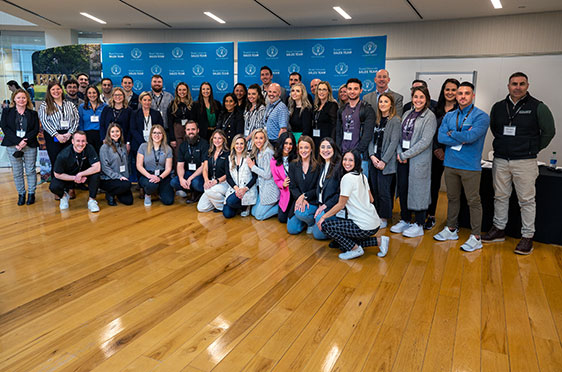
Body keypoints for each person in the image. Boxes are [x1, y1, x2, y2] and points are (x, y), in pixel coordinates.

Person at [481, 72, 556, 255]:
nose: (518, 87)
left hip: (525, 161)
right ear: (508, 86)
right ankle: (499, 229)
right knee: (500, 196)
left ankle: (527, 236)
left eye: (522, 84)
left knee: (527, 200)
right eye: (514, 84)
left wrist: (532, 148)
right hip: (500, 159)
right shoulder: (498, 107)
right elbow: (495, 128)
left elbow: (549, 132)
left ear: (527, 86)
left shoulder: (538, 107)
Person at [434, 82, 490, 251]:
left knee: (473, 201)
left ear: (473, 96)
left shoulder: (481, 116)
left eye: (467, 93)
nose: (463, 96)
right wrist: (461, 137)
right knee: (452, 198)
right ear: (456, 96)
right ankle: (451, 228)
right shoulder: (449, 116)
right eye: (460, 93)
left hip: (470, 166)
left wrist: (454, 134)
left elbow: (472, 136)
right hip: (450, 163)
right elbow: (442, 137)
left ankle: (476, 236)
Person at [317, 150, 389, 260]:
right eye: (345, 159)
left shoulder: (347, 178)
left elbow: (341, 205)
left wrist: (323, 217)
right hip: (374, 223)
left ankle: (355, 249)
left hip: (363, 226)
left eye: (351, 160)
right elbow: (371, 199)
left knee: (326, 226)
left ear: (357, 162)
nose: (347, 163)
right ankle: (380, 241)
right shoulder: (362, 176)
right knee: (342, 244)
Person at [390, 86, 437, 238]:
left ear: (426, 99)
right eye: (416, 97)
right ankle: (405, 219)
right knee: (403, 189)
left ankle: (418, 223)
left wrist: (406, 155)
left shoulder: (429, 116)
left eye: (421, 97)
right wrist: (399, 153)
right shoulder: (407, 113)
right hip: (402, 159)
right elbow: (399, 135)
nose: (418, 100)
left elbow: (425, 141)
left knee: (418, 191)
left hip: (417, 160)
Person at [424, 78, 460, 230]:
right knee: (433, 185)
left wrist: (446, 150)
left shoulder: (462, 111)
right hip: (435, 153)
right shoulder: (434, 109)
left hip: (455, 154)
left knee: (454, 189)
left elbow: (460, 134)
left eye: (453, 90)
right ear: (443, 91)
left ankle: (453, 221)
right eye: (447, 89)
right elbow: (430, 132)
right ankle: (431, 216)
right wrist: (436, 149)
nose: (450, 93)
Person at [368, 92, 401, 229]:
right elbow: (370, 140)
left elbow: (394, 142)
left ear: (391, 104)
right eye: (380, 102)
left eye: (386, 102)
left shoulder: (395, 121)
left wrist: (384, 161)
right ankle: (376, 215)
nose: (382, 104)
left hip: (386, 163)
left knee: (384, 192)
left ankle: (384, 217)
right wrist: (372, 156)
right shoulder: (376, 120)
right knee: (374, 190)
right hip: (374, 160)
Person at [1, 88, 39, 205]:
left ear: (27, 99)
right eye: (18, 98)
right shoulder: (7, 112)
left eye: (23, 97)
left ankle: (31, 193)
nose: (21, 100)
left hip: (29, 144)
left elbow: (35, 129)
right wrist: (18, 141)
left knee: (30, 170)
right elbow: (5, 127)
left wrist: (24, 141)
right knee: (17, 172)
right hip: (13, 145)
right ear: (14, 99)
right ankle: (21, 194)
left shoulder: (33, 113)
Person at [38, 81, 79, 187]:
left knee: (70, 161)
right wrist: (57, 135)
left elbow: (76, 120)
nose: (56, 91)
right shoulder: (45, 105)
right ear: (49, 92)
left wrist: (70, 133)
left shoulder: (70, 104)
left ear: (62, 90)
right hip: (53, 136)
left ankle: (70, 187)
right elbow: (44, 122)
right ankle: (57, 188)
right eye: (53, 89)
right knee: (56, 160)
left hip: (69, 135)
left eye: (58, 89)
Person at [49, 131, 101, 212]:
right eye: (78, 141)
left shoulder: (90, 148)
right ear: (72, 141)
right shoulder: (63, 154)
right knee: (54, 186)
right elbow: (57, 174)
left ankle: (92, 201)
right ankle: (63, 197)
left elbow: (97, 167)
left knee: (96, 175)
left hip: (84, 176)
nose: (81, 144)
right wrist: (74, 178)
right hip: (69, 177)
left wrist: (81, 174)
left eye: (83, 141)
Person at [335, 78, 376, 178]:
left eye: (355, 89)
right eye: (349, 89)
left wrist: (357, 152)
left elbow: (368, 134)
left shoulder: (367, 109)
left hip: (360, 156)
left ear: (361, 90)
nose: (352, 91)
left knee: (360, 187)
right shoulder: (342, 109)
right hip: (344, 155)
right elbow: (338, 132)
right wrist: (339, 149)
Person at [287, 135, 320, 235]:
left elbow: (318, 188)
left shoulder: (318, 166)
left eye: (306, 147)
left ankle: (310, 223)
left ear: (311, 149)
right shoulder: (293, 165)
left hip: (312, 200)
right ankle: (304, 221)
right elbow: (292, 186)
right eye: (301, 148)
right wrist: (300, 198)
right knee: (292, 230)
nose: (303, 150)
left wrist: (304, 196)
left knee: (301, 213)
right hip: (298, 200)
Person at [129, 91, 164, 185]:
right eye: (144, 100)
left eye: (149, 100)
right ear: (140, 101)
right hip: (138, 143)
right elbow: (132, 129)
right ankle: (141, 185)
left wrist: (153, 142)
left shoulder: (156, 113)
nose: (147, 102)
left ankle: (152, 181)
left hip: (155, 143)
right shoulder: (134, 113)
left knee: (151, 163)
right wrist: (143, 142)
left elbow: (161, 128)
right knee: (140, 164)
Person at [170, 120, 209, 204]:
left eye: (193, 129)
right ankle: (192, 191)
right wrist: (181, 179)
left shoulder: (204, 144)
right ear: (185, 131)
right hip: (188, 172)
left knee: (195, 182)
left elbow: (203, 166)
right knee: (174, 182)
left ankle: (198, 192)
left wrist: (190, 179)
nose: (190, 132)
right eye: (188, 130)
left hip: (200, 174)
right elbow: (180, 165)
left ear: (197, 130)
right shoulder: (183, 145)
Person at [312, 137, 342, 240]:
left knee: (317, 235)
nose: (325, 150)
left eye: (329, 147)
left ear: (334, 149)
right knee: (301, 212)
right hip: (320, 204)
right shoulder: (322, 165)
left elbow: (340, 194)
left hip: (332, 207)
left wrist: (325, 206)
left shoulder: (339, 167)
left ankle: (333, 227)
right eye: (323, 147)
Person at [136, 124, 174, 206]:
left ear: (163, 135)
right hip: (147, 175)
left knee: (168, 201)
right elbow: (139, 165)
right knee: (151, 184)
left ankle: (159, 192)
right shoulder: (143, 146)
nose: (157, 135)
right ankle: (148, 194)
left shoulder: (168, 149)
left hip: (162, 176)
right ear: (151, 135)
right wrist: (150, 176)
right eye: (154, 133)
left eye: (159, 133)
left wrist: (160, 178)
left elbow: (168, 168)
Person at [223, 134, 258, 218]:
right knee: (227, 214)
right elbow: (228, 177)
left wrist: (245, 189)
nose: (239, 146)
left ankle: (245, 206)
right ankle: (240, 206)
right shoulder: (229, 158)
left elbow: (254, 177)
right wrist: (237, 189)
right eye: (237, 143)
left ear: (245, 145)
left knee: (230, 202)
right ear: (233, 145)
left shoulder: (250, 157)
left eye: (241, 143)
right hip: (235, 189)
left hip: (247, 189)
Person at [99, 123, 133, 206]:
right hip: (109, 178)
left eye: (117, 131)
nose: (115, 134)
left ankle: (117, 191)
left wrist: (125, 177)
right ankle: (110, 193)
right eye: (112, 131)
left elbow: (126, 163)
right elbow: (105, 168)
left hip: (122, 178)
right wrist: (119, 177)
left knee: (129, 201)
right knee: (126, 185)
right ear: (109, 133)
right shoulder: (104, 147)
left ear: (120, 132)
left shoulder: (123, 146)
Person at [197, 129, 230, 212]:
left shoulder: (228, 153)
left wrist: (217, 181)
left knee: (209, 190)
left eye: (219, 138)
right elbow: (205, 168)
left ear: (224, 140)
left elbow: (229, 173)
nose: (217, 140)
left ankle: (224, 207)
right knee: (201, 208)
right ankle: (217, 202)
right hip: (211, 181)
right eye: (215, 138)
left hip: (224, 182)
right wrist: (206, 180)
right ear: (212, 139)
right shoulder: (209, 152)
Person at [271, 132, 297, 223]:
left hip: (296, 192)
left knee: (292, 218)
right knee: (282, 219)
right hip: (286, 193)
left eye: (290, 144)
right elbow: (276, 179)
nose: (288, 146)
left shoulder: (296, 158)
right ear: (281, 143)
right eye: (286, 143)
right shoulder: (274, 160)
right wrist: (282, 184)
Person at [167, 82, 194, 159]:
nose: (182, 92)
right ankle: (178, 171)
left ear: (187, 91)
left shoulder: (192, 104)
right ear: (177, 91)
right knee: (178, 153)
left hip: (189, 130)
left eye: (184, 90)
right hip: (177, 131)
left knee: (190, 152)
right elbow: (170, 122)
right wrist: (172, 139)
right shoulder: (172, 104)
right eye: (180, 90)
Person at [78, 85, 106, 153]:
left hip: (100, 135)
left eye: (94, 92)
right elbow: (80, 123)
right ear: (86, 95)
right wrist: (82, 137)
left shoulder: (104, 106)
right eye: (89, 93)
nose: (92, 95)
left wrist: (105, 137)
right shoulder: (82, 107)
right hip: (87, 135)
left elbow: (106, 123)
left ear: (97, 94)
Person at [311, 81, 338, 151]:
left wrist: (331, 141)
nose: (321, 92)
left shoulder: (332, 105)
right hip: (315, 139)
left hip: (327, 140)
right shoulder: (316, 106)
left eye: (324, 90)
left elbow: (334, 125)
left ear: (328, 92)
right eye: (319, 89)